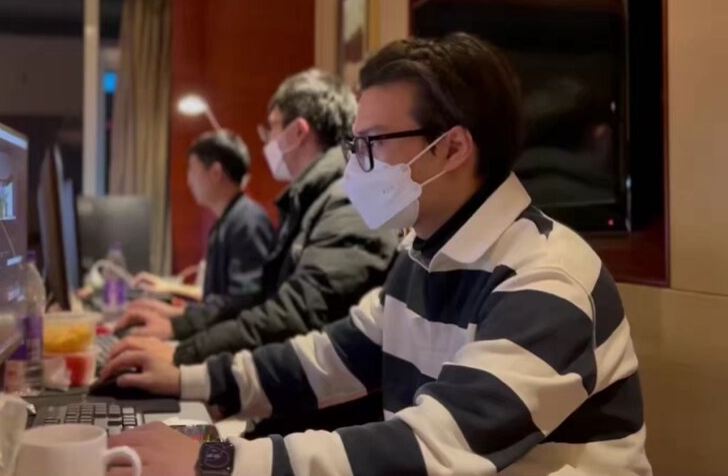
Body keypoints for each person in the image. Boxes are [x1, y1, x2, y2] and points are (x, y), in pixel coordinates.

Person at [103, 34, 649, 476]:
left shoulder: (547, 279)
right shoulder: (423, 254)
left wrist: (216, 461)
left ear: (452, 147)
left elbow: (435, 448)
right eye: (354, 144)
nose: (355, 167)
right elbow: (325, 359)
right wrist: (185, 378)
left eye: (373, 143)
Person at [112, 69, 399, 368]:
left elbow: (296, 316)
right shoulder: (311, 201)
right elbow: (262, 300)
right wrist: (180, 326)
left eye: (272, 128)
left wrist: (182, 355)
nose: (267, 141)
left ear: (297, 132)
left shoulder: (349, 202)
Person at [130, 130, 275, 319]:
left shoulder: (249, 223)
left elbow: (242, 303)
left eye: (192, 170)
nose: (189, 181)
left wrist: (178, 315)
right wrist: (169, 288)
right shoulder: (229, 220)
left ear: (216, 172)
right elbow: (216, 297)